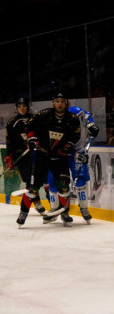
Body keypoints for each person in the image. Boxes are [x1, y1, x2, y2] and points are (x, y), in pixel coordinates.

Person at [26, 92, 81, 227]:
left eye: (62, 101)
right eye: (57, 101)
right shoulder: (46, 116)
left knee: (63, 184)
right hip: (47, 155)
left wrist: (70, 146)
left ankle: (64, 212)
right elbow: (33, 128)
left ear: (66, 103)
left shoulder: (73, 118)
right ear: (53, 103)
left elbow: (75, 136)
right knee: (51, 184)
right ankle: (53, 209)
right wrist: (33, 139)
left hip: (63, 156)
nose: (60, 104)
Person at [46, 105, 99, 224]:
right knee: (54, 181)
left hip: (78, 152)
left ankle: (84, 208)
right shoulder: (53, 117)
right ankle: (55, 208)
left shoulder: (76, 111)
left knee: (80, 181)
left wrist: (91, 124)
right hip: (61, 153)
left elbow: (88, 117)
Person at [5, 97, 47, 225]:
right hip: (21, 156)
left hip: (35, 154)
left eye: (24, 106)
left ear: (28, 107)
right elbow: (9, 141)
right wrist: (9, 156)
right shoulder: (12, 122)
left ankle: (43, 205)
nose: (22, 108)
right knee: (29, 182)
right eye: (20, 106)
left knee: (40, 180)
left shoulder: (35, 118)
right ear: (17, 108)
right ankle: (37, 203)